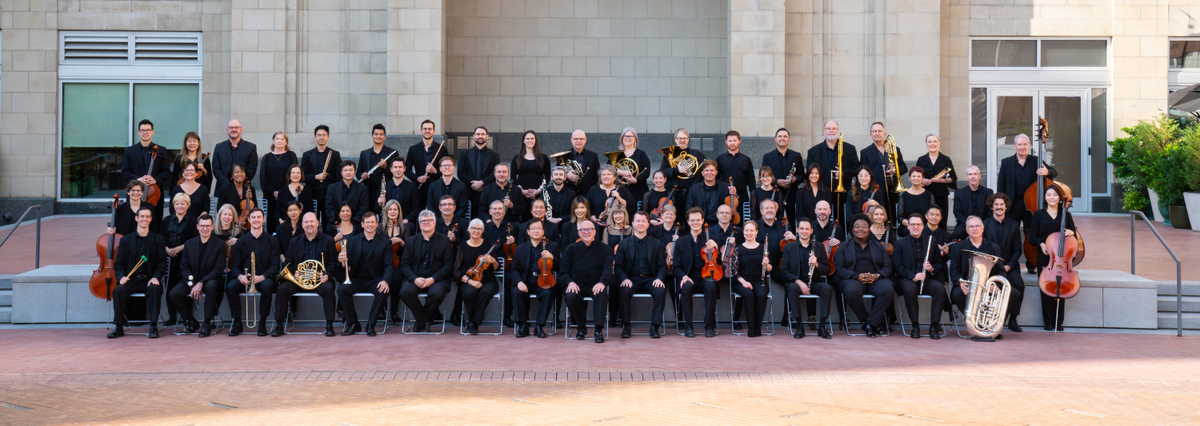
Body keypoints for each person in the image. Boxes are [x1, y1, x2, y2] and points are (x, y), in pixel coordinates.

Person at [996, 133, 1059, 273]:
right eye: (1019, 144)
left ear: (1029, 146)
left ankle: (1032, 263)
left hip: (1032, 205)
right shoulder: (1006, 162)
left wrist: (1047, 171)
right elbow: (1001, 186)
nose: (1022, 147)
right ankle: (1007, 263)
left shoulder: (1036, 160)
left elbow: (1055, 172)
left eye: (1025, 144)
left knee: (1032, 233)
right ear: (1015, 146)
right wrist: (1001, 204)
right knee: (1010, 234)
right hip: (1013, 204)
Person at [272, 212, 340, 337]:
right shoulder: (294, 241)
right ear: (302, 225)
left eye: (312, 221)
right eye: (307, 222)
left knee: (329, 288)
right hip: (299, 281)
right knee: (282, 289)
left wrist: (328, 275)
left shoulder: (328, 240)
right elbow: (288, 263)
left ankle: (329, 325)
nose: (309, 224)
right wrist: (294, 274)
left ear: (317, 223)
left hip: (320, 280)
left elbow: (332, 262)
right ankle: (279, 326)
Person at [948, 216, 1016, 337]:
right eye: (971, 227)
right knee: (957, 294)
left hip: (987, 286)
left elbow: (1001, 271)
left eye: (977, 226)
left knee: (1013, 293)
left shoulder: (993, 247)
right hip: (968, 285)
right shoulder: (957, 248)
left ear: (983, 228)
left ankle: (993, 327)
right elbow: (954, 270)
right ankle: (973, 324)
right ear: (967, 229)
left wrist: (997, 286)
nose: (975, 229)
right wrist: (960, 282)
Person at [106, 207, 169, 339]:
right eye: (142, 216)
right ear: (136, 218)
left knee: (155, 289)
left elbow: (161, 263)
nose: (144, 219)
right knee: (118, 290)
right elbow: (119, 264)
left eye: (147, 217)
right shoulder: (125, 240)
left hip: (149, 279)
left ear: (151, 219)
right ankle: (118, 326)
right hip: (131, 280)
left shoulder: (158, 240)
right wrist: (121, 277)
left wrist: (156, 277)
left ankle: (153, 326)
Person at [834, 213, 895, 337]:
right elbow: (840, 269)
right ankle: (868, 322)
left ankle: (869, 324)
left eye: (864, 226)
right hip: (853, 279)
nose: (860, 229)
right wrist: (858, 276)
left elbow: (888, 267)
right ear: (852, 229)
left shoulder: (878, 246)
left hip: (876, 280)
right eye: (856, 226)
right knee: (850, 291)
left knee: (888, 289)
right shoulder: (843, 247)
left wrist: (876, 275)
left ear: (869, 229)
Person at [166, 214, 226, 337]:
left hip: (211, 279)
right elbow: (184, 267)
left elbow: (218, 269)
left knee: (211, 286)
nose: (205, 229)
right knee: (173, 294)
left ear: (212, 227)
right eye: (202, 226)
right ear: (197, 227)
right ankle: (191, 321)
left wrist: (201, 283)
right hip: (191, 280)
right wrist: (192, 284)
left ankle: (207, 323)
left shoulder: (219, 244)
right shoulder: (189, 244)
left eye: (208, 226)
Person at [398, 210, 456, 332]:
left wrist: (433, 279)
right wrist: (414, 278)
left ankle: (421, 321)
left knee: (437, 293)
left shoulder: (445, 240)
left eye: (429, 220)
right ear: (419, 225)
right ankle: (424, 321)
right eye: (423, 221)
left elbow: (448, 265)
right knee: (405, 292)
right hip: (416, 277)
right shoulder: (411, 240)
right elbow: (404, 264)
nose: (426, 223)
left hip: (436, 279)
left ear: (435, 223)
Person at [336, 212, 393, 337]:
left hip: (375, 280)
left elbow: (389, 265)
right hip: (357, 279)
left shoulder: (385, 242)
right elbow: (347, 262)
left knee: (383, 291)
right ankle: (352, 323)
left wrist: (385, 280)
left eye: (372, 222)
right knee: (342, 290)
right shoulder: (352, 240)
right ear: (362, 224)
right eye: (367, 222)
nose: (370, 225)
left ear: (377, 224)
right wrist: (341, 259)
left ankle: (371, 325)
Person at [226, 208, 281, 336]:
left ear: (263, 219)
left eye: (258, 217)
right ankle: (237, 322)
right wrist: (240, 277)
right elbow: (235, 265)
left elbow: (275, 265)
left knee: (267, 286)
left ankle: (262, 323)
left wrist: (263, 276)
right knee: (231, 287)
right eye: (253, 217)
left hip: (263, 277)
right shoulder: (240, 241)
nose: (256, 220)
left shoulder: (272, 240)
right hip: (246, 278)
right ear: (249, 220)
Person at [892, 213, 947, 339]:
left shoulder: (931, 241)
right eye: (912, 224)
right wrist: (913, 276)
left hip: (926, 279)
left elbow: (939, 263)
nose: (915, 227)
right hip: (908, 279)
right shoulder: (899, 244)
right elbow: (898, 267)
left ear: (923, 226)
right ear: (908, 227)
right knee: (910, 289)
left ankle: (934, 326)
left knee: (939, 289)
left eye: (918, 224)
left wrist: (931, 268)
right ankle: (915, 325)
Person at [614, 211, 668, 339]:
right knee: (623, 290)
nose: (640, 223)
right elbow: (618, 267)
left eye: (644, 221)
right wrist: (624, 278)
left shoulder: (657, 243)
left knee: (660, 290)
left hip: (651, 279)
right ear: (632, 224)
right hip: (631, 279)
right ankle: (626, 326)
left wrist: (659, 278)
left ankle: (655, 326)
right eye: (638, 221)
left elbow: (662, 266)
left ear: (648, 224)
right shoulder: (623, 244)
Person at [1030, 184, 1076, 331]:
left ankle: (1058, 321)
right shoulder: (1038, 215)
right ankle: (1048, 322)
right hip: (1045, 259)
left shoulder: (1066, 215)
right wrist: (1041, 244)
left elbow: (1073, 235)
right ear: (1045, 197)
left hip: (1062, 258)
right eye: (1049, 194)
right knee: (1046, 289)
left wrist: (1071, 232)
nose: (1052, 197)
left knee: (1061, 289)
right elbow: (1032, 237)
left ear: (1059, 198)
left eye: (1055, 195)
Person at [562, 220, 614, 343]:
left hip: (596, 285)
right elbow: (563, 271)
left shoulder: (604, 249)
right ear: (579, 233)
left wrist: (602, 282)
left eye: (589, 229)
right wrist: (569, 282)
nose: (586, 232)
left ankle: (598, 330)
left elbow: (608, 270)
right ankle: (581, 328)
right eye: (583, 230)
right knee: (570, 296)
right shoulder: (570, 249)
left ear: (595, 231)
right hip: (577, 285)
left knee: (601, 294)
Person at [780, 218, 833, 339]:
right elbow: (785, 271)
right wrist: (799, 282)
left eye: (807, 229)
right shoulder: (789, 248)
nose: (804, 231)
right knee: (792, 288)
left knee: (827, 289)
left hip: (814, 282)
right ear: (797, 230)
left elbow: (827, 269)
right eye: (802, 228)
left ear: (811, 230)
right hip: (796, 282)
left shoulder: (819, 247)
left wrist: (817, 264)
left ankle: (822, 327)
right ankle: (799, 327)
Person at [672, 207, 720, 338]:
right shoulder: (681, 242)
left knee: (711, 287)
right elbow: (676, 267)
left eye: (698, 220)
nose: (695, 223)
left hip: (707, 276)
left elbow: (719, 262)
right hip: (690, 277)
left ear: (703, 220)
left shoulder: (712, 239)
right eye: (692, 220)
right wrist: (684, 276)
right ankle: (688, 326)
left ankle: (709, 325)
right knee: (686, 288)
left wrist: (717, 249)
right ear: (687, 221)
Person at [982, 193, 1025, 332]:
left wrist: (1010, 265)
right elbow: (982, 246)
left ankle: (1013, 318)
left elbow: (1018, 249)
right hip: (991, 267)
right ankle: (990, 319)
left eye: (1002, 204)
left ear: (1006, 206)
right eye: (996, 204)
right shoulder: (985, 224)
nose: (999, 207)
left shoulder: (1013, 224)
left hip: (1009, 265)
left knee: (1018, 285)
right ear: (992, 206)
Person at [121, 119, 173, 231]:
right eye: (143, 130)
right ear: (138, 132)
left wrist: (155, 180)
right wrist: (138, 179)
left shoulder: (161, 150)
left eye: (148, 130)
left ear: (152, 132)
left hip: (154, 195)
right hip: (134, 194)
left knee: (155, 223)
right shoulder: (129, 151)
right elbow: (124, 172)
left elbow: (166, 171)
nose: (145, 132)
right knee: (131, 223)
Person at [807, 120, 859, 228]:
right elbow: (809, 173)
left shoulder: (849, 149)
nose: (831, 131)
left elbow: (857, 168)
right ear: (824, 131)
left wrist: (843, 173)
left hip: (842, 195)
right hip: (821, 193)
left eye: (834, 129)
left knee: (841, 225)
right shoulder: (813, 151)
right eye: (828, 129)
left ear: (838, 130)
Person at [511, 220, 559, 338]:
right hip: (526, 281)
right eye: (533, 228)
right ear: (528, 232)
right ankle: (523, 326)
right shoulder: (521, 248)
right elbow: (514, 269)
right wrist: (519, 282)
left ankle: (539, 326)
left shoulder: (553, 246)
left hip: (545, 281)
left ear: (543, 231)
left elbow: (559, 267)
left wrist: (553, 258)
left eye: (539, 228)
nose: (536, 231)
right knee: (516, 292)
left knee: (548, 293)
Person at [453, 219, 500, 335]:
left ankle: (473, 321)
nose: (476, 231)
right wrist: (470, 282)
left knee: (487, 291)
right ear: (468, 229)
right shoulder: (462, 246)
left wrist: (493, 260)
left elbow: (496, 268)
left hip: (488, 279)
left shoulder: (489, 245)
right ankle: (473, 320)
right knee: (470, 293)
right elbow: (456, 272)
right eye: (474, 228)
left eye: (479, 228)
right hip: (469, 279)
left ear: (483, 231)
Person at [159, 193, 198, 327]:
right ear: (173, 205)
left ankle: (187, 317)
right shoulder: (167, 220)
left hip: (186, 259)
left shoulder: (193, 221)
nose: (179, 206)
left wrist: (179, 248)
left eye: (183, 203)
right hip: (170, 260)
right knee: (169, 287)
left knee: (186, 287)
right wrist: (167, 249)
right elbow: (161, 238)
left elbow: (194, 240)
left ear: (188, 205)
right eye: (177, 203)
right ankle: (172, 316)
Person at [858, 122, 907, 225]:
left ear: (884, 133)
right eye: (874, 131)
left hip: (892, 190)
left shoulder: (895, 149)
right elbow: (863, 172)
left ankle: (892, 238)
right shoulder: (865, 152)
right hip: (875, 191)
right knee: (877, 217)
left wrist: (895, 170)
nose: (877, 133)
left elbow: (904, 168)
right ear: (871, 134)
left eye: (879, 131)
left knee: (893, 218)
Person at [731, 221, 772, 337]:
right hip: (741, 281)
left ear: (756, 232)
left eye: (751, 230)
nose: (749, 233)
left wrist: (767, 264)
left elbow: (769, 268)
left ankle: (758, 326)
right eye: (746, 230)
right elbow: (734, 271)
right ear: (743, 232)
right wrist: (744, 282)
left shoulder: (763, 248)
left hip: (759, 280)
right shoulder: (738, 249)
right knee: (749, 294)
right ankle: (751, 327)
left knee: (761, 294)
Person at [301, 125, 342, 224]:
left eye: (324, 135)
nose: (321, 137)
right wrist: (316, 177)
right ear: (315, 136)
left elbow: (339, 177)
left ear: (328, 136)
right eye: (319, 135)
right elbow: (302, 176)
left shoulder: (335, 155)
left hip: (329, 194)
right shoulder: (307, 155)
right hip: (312, 194)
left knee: (328, 223)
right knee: (312, 222)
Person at [915, 133, 957, 229]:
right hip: (925, 195)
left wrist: (941, 181)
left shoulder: (946, 160)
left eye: (935, 141)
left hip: (941, 195)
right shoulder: (921, 160)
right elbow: (915, 178)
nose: (932, 144)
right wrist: (922, 180)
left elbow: (953, 178)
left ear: (939, 143)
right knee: (925, 221)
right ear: (926, 144)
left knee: (941, 222)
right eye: (930, 142)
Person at [457, 126, 500, 219]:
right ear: (474, 136)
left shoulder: (494, 155)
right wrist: (474, 184)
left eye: (482, 134)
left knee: (486, 218)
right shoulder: (464, 154)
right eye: (478, 134)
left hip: (487, 191)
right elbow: (460, 173)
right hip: (469, 192)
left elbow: (496, 173)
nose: (480, 136)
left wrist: (481, 183)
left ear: (487, 136)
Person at [405, 120, 448, 211]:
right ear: (421, 131)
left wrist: (435, 171)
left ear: (434, 131)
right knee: (419, 215)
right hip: (420, 188)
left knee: (436, 214)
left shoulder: (442, 149)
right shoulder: (413, 149)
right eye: (425, 129)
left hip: (437, 188)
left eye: (429, 129)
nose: (427, 131)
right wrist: (417, 178)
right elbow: (407, 169)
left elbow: (447, 169)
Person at [260, 131, 298, 233]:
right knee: (271, 222)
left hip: (287, 193)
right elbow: (264, 178)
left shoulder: (291, 156)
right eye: (277, 139)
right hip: (270, 195)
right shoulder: (267, 157)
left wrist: (282, 191)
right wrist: (273, 192)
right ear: (273, 141)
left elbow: (293, 175)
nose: (279, 141)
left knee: (287, 221)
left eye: (282, 139)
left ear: (286, 142)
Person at [660, 128, 707, 207]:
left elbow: (703, 173)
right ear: (675, 139)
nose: (682, 140)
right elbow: (662, 172)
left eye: (684, 138)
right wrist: (677, 170)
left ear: (688, 139)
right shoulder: (669, 155)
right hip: (674, 193)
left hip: (691, 193)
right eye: (680, 138)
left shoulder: (698, 155)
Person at [211, 119, 258, 197]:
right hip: (223, 189)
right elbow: (216, 168)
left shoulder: (251, 147)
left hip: (243, 190)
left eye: (236, 127)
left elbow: (252, 169)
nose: (233, 130)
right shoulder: (219, 147)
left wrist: (239, 183)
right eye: (231, 127)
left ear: (241, 129)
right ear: (227, 130)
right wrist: (228, 185)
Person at [358, 124, 399, 210]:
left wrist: (386, 167)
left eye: (381, 134)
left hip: (385, 191)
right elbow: (358, 172)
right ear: (372, 136)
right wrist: (362, 175)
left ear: (385, 137)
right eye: (376, 134)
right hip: (369, 191)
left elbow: (397, 173)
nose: (378, 136)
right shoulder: (364, 154)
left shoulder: (393, 153)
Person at [761, 127, 804, 209]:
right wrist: (776, 181)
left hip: (792, 195)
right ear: (775, 139)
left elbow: (802, 175)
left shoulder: (796, 156)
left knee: (791, 220)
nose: (782, 138)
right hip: (774, 194)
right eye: (779, 136)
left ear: (789, 139)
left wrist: (795, 179)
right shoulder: (767, 157)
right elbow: (764, 176)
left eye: (785, 136)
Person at [511, 130, 552, 214]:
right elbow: (513, 178)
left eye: (532, 138)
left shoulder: (543, 158)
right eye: (527, 139)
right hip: (521, 195)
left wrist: (539, 190)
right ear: (523, 141)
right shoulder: (516, 158)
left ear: (535, 140)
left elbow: (547, 177)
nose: (530, 141)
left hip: (539, 194)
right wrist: (522, 191)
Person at [715, 130, 756, 211]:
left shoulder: (746, 159)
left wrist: (754, 197)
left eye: (735, 140)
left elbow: (751, 179)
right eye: (730, 141)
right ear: (726, 142)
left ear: (739, 141)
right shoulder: (720, 159)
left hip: (742, 196)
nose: (732, 143)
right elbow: (716, 178)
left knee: (741, 220)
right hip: (725, 196)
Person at [685, 160, 733, 226]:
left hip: (720, 225)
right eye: (706, 170)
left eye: (712, 170)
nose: (709, 173)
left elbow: (731, 207)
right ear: (702, 173)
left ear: (716, 172)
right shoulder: (694, 189)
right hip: (700, 225)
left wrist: (734, 194)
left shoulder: (726, 187)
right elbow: (689, 210)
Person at [611, 127, 652, 205]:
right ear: (622, 138)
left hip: (638, 189)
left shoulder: (641, 154)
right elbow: (608, 169)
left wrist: (636, 180)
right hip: (621, 189)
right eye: (625, 136)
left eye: (630, 136)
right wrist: (621, 172)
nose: (627, 138)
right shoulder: (617, 154)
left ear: (635, 139)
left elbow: (647, 172)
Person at [952, 165, 993, 240]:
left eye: (975, 174)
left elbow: (990, 213)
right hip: (965, 225)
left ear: (979, 176)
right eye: (970, 174)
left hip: (983, 226)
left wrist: (979, 226)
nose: (973, 177)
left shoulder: (988, 192)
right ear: (966, 177)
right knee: (956, 235)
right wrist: (970, 225)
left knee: (992, 235)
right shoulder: (959, 193)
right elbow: (957, 212)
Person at [325, 160, 369, 226]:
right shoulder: (332, 188)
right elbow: (329, 207)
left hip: (355, 225)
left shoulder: (362, 188)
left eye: (351, 170)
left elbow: (364, 208)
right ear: (341, 173)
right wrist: (337, 222)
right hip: (336, 224)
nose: (348, 172)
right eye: (345, 170)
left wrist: (352, 223)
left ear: (354, 172)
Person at [562, 129, 602, 197]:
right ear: (571, 140)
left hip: (588, 194)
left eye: (581, 139)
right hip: (569, 194)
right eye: (576, 139)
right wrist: (567, 175)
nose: (579, 141)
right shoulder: (563, 156)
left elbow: (597, 177)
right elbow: (556, 174)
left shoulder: (593, 156)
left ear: (585, 140)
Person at [379, 158, 418, 224]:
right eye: (395, 167)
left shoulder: (412, 186)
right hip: (387, 221)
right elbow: (376, 209)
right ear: (391, 169)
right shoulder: (384, 186)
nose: (398, 170)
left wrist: (407, 219)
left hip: (405, 222)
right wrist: (380, 204)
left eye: (400, 167)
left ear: (404, 169)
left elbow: (416, 208)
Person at [899, 167, 934, 232]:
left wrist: (920, 226)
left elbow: (932, 215)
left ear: (923, 178)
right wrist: (912, 225)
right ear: (909, 178)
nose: (916, 178)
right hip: (908, 228)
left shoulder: (929, 195)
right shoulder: (904, 196)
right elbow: (900, 218)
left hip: (924, 228)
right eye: (914, 176)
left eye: (918, 176)